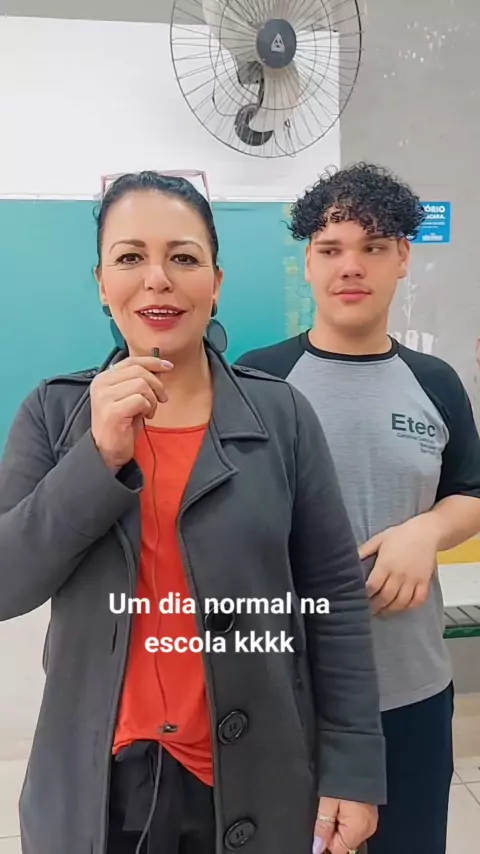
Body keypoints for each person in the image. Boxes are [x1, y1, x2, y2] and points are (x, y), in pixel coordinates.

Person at [0, 171, 385, 854]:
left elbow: (335, 598)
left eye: (183, 257)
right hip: (101, 784)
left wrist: (352, 768)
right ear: (101, 283)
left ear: (216, 282)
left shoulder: (282, 415)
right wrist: (98, 458)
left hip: (253, 775)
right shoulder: (54, 414)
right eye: (130, 257)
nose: (158, 280)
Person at [235, 162, 480, 854]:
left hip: (411, 688)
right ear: (308, 262)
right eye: (331, 248)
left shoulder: (436, 383)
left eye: (373, 246)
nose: (352, 265)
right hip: (287, 694)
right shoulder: (258, 379)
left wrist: (427, 530)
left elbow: (471, 492)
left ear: (403, 257)